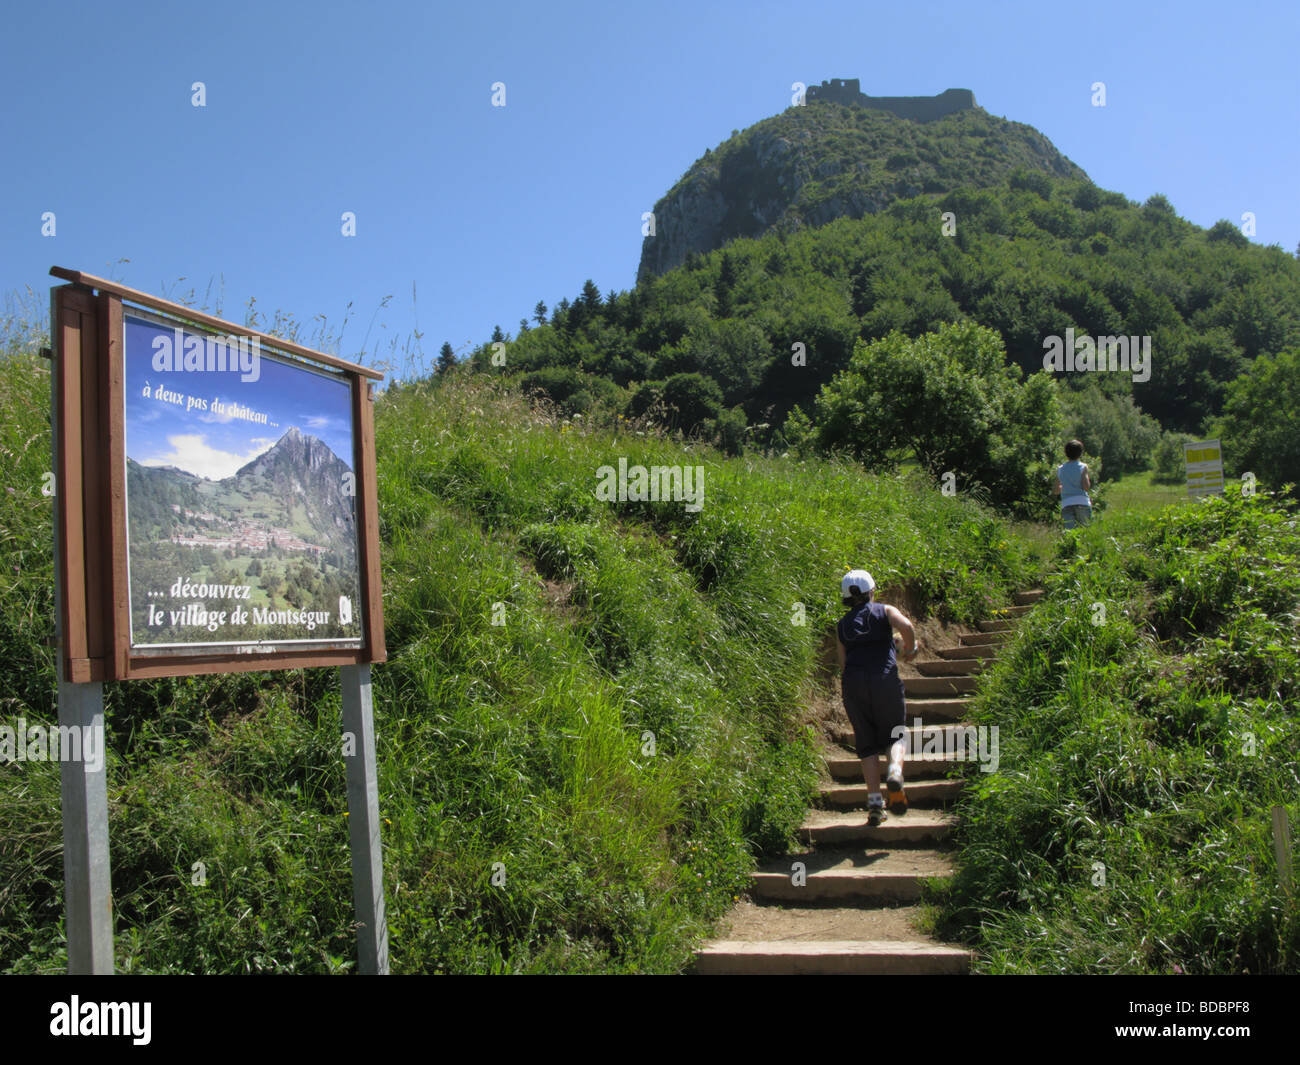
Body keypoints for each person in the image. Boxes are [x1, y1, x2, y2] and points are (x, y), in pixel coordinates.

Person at [835, 570, 918, 826]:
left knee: (867, 744)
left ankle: (874, 804)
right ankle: (894, 772)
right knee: (895, 734)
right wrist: (911, 649)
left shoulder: (842, 625)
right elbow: (907, 626)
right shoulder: (884, 610)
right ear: (872, 591)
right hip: (884, 681)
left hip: (853, 684)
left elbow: (843, 662)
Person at [1055, 439, 1093, 530]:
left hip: (1066, 503)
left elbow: (1056, 490)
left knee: (1070, 533)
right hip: (1082, 502)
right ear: (1080, 453)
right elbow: (1086, 487)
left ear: (1066, 453)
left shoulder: (1060, 469)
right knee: (1084, 531)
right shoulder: (1083, 467)